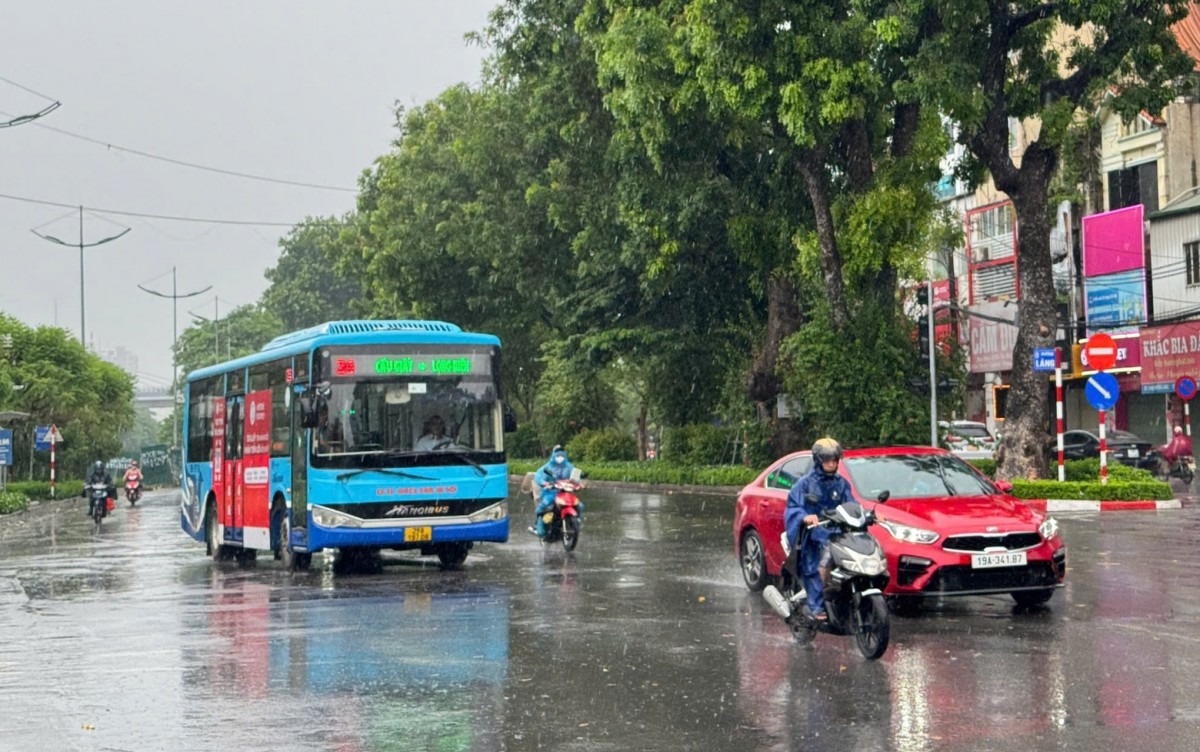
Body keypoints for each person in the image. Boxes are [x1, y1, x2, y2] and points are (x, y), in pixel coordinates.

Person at [783, 438, 854, 622]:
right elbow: (793, 507)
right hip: (813, 535)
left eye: (835, 460)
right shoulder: (805, 484)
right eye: (827, 460)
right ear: (818, 460)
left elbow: (851, 504)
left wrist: (869, 514)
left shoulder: (842, 483)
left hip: (836, 533)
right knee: (816, 566)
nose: (832, 464)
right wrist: (804, 517)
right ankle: (816, 605)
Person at [530, 444, 579, 538]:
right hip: (551, 492)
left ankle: (575, 522)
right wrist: (544, 483)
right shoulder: (547, 467)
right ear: (553, 455)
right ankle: (539, 526)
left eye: (562, 455)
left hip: (565, 492)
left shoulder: (569, 467)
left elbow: (575, 477)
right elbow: (539, 476)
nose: (560, 457)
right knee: (545, 504)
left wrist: (579, 483)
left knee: (579, 505)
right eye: (558, 455)